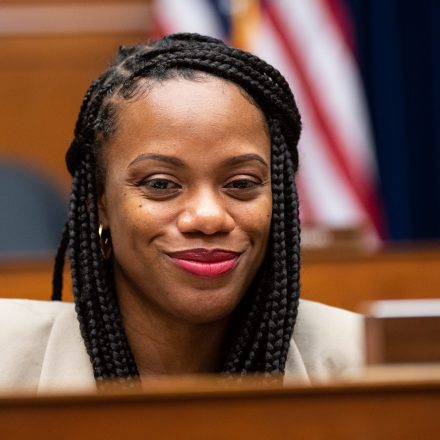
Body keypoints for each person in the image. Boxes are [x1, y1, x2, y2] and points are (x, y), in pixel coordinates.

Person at [0, 33, 363, 393]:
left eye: (240, 183)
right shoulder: (9, 363)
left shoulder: (366, 363)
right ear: (100, 203)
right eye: (160, 184)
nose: (208, 217)